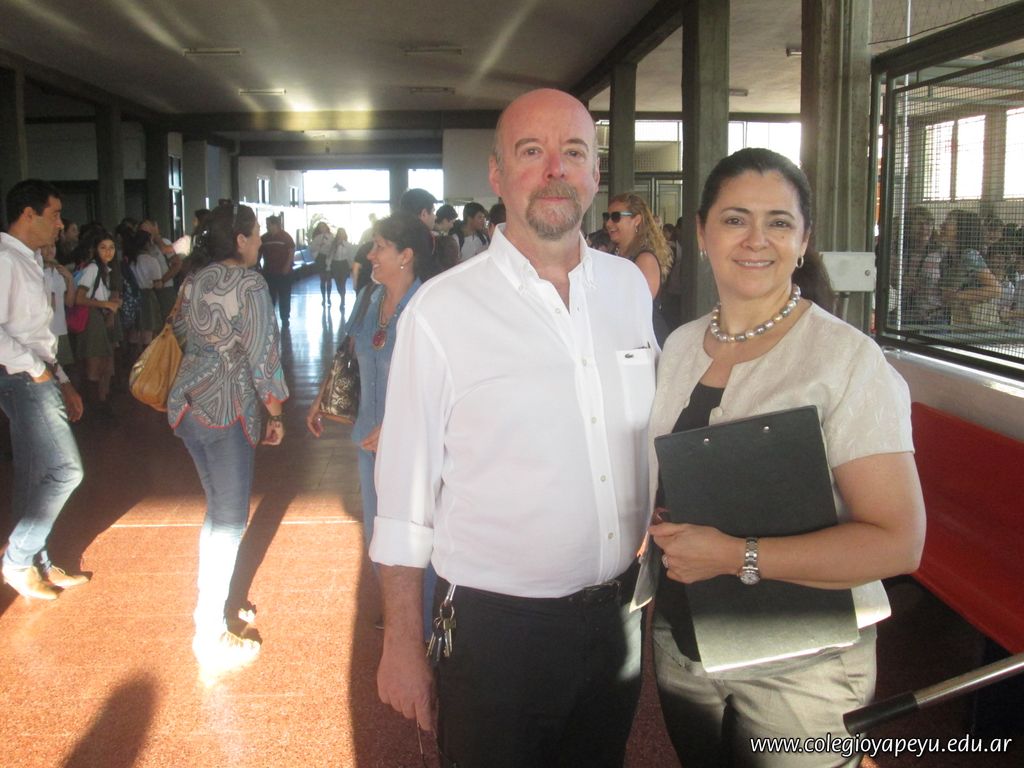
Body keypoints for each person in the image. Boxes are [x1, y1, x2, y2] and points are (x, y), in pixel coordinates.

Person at [371, 88, 657, 768]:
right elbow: (404, 499)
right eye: (533, 151)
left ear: (594, 174)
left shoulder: (627, 289)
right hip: (496, 635)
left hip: (618, 620)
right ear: (497, 175)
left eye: (574, 153)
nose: (555, 169)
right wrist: (401, 642)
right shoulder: (442, 311)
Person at [647, 148, 926, 768]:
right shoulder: (681, 347)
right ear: (702, 233)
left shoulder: (844, 359)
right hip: (686, 640)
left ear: (803, 241)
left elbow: (898, 542)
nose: (756, 239)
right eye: (735, 219)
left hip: (802, 663)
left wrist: (732, 554)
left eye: (778, 222)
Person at [168, 202, 288, 674]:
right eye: (255, 233)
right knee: (229, 521)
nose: (259, 241)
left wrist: (211, 347)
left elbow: (178, 329)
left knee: (218, 509)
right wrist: (274, 411)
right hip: (227, 407)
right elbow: (263, 353)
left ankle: (216, 605)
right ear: (239, 239)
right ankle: (209, 632)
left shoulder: (193, 279)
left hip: (188, 403)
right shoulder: (251, 284)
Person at [306, 212, 435, 630]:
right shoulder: (367, 299)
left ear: (406, 255)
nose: (370, 254)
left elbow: (440, 381)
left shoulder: (429, 305)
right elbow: (348, 349)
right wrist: (321, 398)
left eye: (380, 246)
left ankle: (423, 623)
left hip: (414, 446)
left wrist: (399, 424)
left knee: (418, 534)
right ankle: (398, 614)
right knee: (378, 534)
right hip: (367, 440)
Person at [0, 179, 88, 600]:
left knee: (34, 476)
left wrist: (62, 380)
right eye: (54, 214)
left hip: (38, 374)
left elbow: (38, 336)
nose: (59, 224)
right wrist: (37, 371)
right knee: (67, 470)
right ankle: (18, 560)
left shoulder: (30, 260)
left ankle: (38, 563)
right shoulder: (5, 260)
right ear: (27, 214)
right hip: (22, 379)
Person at [605, 192, 674, 344]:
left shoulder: (645, 259)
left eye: (615, 217)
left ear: (636, 220)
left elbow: (637, 307)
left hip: (643, 341)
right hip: (621, 338)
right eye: (607, 217)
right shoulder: (613, 253)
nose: (608, 223)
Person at [74, 229, 122, 417]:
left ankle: (100, 403)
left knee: (103, 363)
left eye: (111, 248)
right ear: (95, 249)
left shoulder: (106, 270)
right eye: (103, 248)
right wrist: (105, 304)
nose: (108, 252)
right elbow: (79, 298)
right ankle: (95, 406)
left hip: (100, 316)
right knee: (95, 364)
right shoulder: (93, 269)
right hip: (93, 317)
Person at [937, 209, 1000, 326]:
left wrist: (959, 295)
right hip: (957, 319)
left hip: (979, 320)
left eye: (949, 221)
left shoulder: (969, 255)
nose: (942, 225)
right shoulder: (946, 259)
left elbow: (995, 289)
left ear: (961, 229)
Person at [259, 215, 295, 328]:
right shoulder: (264, 238)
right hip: (269, 272)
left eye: (268, 224)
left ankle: (285, 318)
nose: (267, 226)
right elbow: (258, 253)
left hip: (284, 272)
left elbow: (291, 252)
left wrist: (287, 266)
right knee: (270, 296)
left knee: (284, 295)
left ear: (275, 225)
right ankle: (270, 318)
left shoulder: (286, 237)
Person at [309, 220, 334, 306]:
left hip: (329, 258)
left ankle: (329, 297)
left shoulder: (331, 237)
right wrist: (319, 246)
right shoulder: (317, 238)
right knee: (323, 279)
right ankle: (323, 298)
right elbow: (312, 248)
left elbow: (333, 247)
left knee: (329, 278)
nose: (322, 228)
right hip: (321, 258)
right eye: (321, 227)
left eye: (324, 227)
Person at [329, 227, 354, 314]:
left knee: (343, 283)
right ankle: (341, 295)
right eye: (339, 233)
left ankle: (342, 300)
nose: (341, 235)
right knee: (338, 283)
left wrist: (351, 266)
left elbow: (350, 255)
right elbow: (330, 255)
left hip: (344, 264)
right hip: (335, 264)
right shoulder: (333, 244)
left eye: (342, 233)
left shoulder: (347, 245)